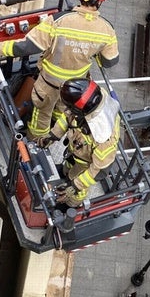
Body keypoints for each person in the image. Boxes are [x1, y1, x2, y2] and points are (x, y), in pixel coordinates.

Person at [0, 0, 119, 144]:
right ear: (101, 1)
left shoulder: (59, 21)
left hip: (49, 83)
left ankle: (35, 142)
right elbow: (109, 61)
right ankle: (52, 137)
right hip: (75, 86)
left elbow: (27, 46)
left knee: (41, 113)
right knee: (63, 110)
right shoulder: (107, 29)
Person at [51, 78, 121, 208]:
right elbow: (67, 117)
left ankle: (71, 204)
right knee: (67, 168)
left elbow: (98, 170)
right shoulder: (87, 104)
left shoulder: (104, 138)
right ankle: (66, 172)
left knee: (77, 189)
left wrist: (75, 185)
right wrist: (53, 135)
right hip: (76, 154)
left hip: (86, 167)